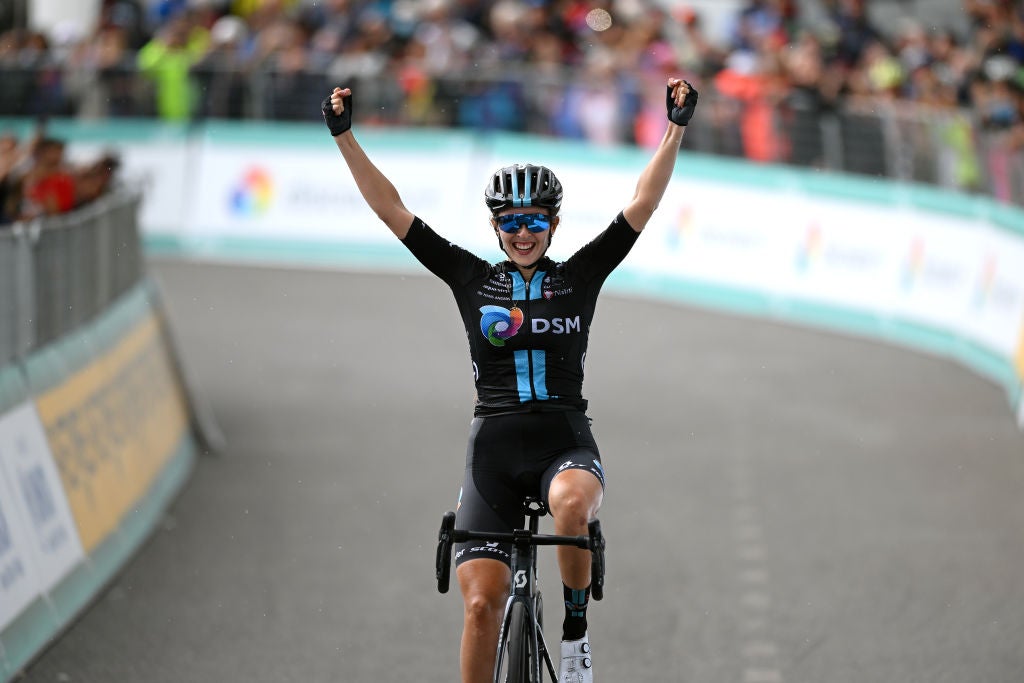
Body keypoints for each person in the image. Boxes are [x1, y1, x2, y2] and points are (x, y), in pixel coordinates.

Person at [322, 76, 698, 683]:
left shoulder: (579, 277)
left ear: (552, 224)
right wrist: (345, 136)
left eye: (535, 222)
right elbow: (392, 209)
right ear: (496, 226)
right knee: (479, 606)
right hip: (492, 450)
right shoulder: (471, 278)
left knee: (572, 507)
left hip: (563, 441)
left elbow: (642, 204)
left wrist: (675, 127)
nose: (523, 233)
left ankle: (575, 640)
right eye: (511, 222)